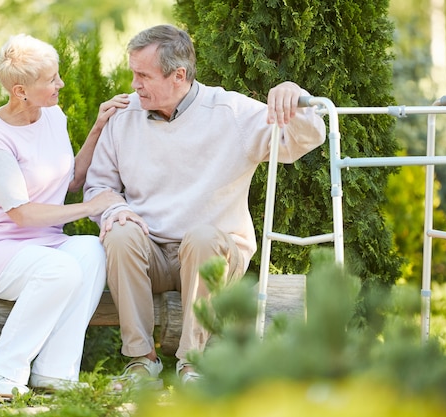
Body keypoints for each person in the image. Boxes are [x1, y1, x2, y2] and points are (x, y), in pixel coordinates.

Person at [82, 24, 326, 388]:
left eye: (143, 75)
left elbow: (298, 143)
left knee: (201, 237)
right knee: (118, 233)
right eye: (133, 73)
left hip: (213, 252)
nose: (134, 84)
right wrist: (116, 211)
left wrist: (295, 96)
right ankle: (140, 362)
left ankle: (193, 364)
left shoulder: (231, 112)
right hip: (151, 251)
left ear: (178, 75)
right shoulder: (124, 116)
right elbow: (98, 186)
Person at [0, 33, 127, 397]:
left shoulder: (53, 115)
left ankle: (55, 371)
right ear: (20, 91)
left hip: (46, 244)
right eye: (51, 79)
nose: (60, 83)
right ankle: (2, 371)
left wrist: (99, 126)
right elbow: (20, 214)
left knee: (91, 251)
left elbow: (70, 181)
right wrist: (90, 208)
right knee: (62, 268)